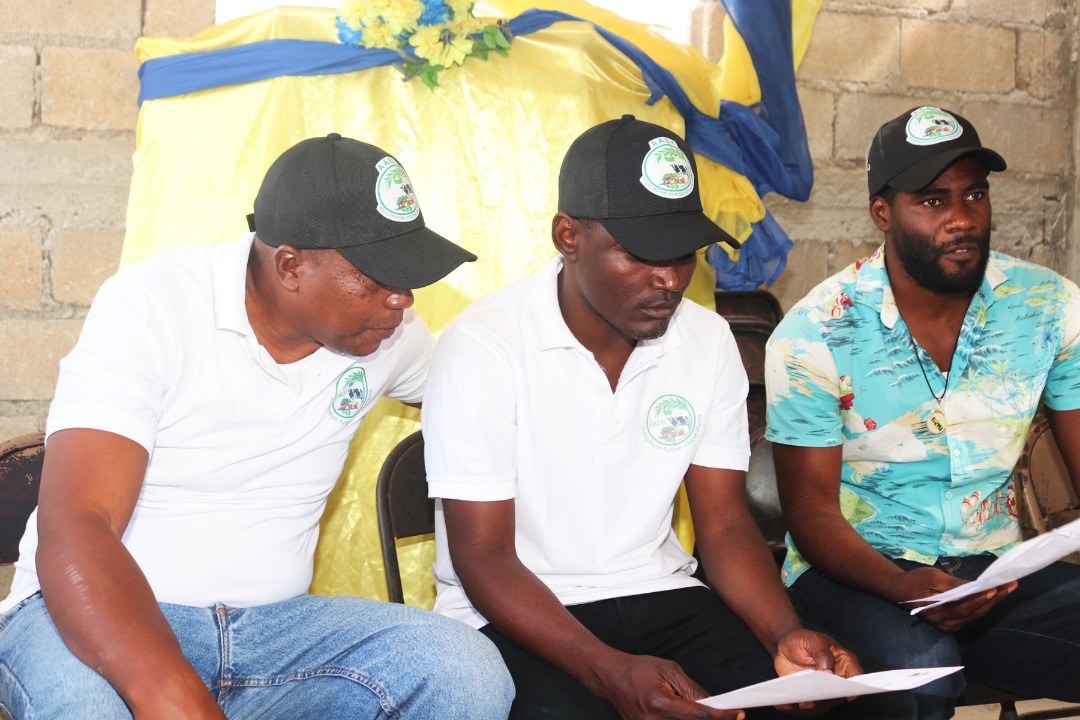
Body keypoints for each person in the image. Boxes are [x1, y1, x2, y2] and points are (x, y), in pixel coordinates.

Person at [0, 133, 514, 720]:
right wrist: (173, 695)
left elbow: (493, 401)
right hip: (97, 613)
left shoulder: (388, 334)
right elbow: (77, 525)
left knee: (463, 672)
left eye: (409, 277)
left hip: (277, 634)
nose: (403, 299)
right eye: (379, 277)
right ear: (291, 266)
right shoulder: (154, 306)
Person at [421, 115, 914, 720]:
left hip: (661, 593)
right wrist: (608, 673)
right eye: (642, 253)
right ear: (568, 236)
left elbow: (725, 525)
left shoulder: (706, 341)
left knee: (858, 709)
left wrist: (783, 633)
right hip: (517, 611)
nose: (671, 278)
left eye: (684, 252)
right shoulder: (484, 344)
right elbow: (483, 556)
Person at [765, 106, 1080, 720]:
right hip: (857, 568)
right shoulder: (816, 332)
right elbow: (810, 512)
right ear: (883, 213)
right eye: (933, 201)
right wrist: (898, 584)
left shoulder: (1048, 307)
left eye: (975, 194)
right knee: (922, 674)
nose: (962, 219)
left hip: (992, 572)